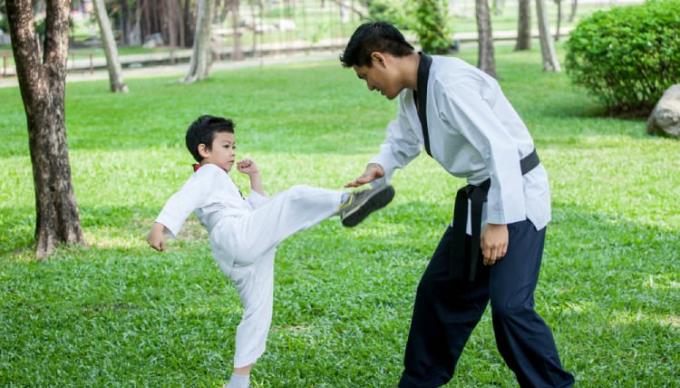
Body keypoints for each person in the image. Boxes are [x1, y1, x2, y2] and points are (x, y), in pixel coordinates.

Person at [340, 22, 575, 387]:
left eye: (364, 76)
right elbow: (403, 139)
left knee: (510, 308)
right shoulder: (413, 91)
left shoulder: (450, 84)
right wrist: (379, 166)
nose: (369, 86)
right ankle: (419, 382)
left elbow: (499, 148)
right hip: (477, 200)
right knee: (440, 293)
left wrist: (498, 222)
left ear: (379, 59)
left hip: (515, 195)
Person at [146, 115, 394, 388]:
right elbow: (185, 197)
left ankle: (239, 380)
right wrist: (161, 225)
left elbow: (260, 213)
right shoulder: (208, 173)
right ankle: (346, 202)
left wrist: (255, 177)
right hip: (236, 236)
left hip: (241, 251)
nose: (233, 152)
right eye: (226, 146)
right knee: (294, 197)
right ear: (204, 151)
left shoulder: (223, 183)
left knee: (258, 311)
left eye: (234, 146)